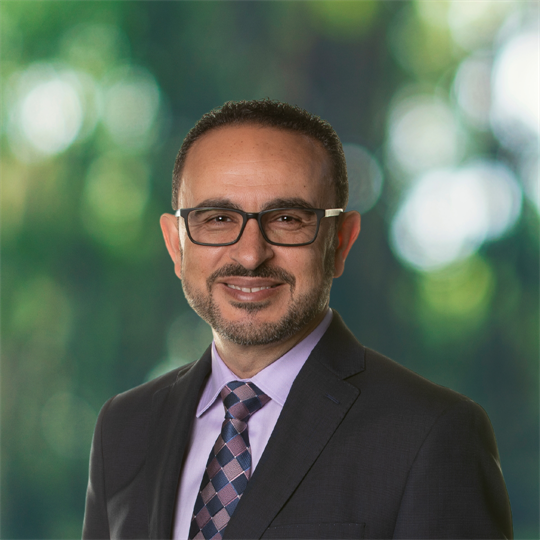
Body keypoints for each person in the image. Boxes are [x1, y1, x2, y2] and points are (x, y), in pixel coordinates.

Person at [82, 99, 513, 540]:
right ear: (176, 245)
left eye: (287, 219)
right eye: (217, 219)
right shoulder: (123, 427)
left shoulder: (432, 436)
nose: (250, 254)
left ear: (340, 242)